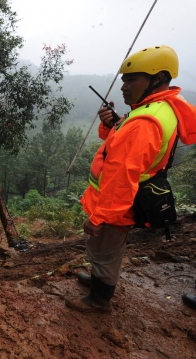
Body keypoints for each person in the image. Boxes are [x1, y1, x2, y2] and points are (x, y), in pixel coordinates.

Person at [65, 45, 196, 313]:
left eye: (131, 79)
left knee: (105, 249)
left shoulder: (144, 121)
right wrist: (113, 123)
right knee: (105, 249)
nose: (124, 86)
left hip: (115, 203)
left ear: (157, 78)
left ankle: (99, 299)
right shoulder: (157, 108)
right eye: (124, 80)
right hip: (120, 199)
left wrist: (101, 215)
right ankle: (99, 281)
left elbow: (123, 175)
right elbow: (119, 144)